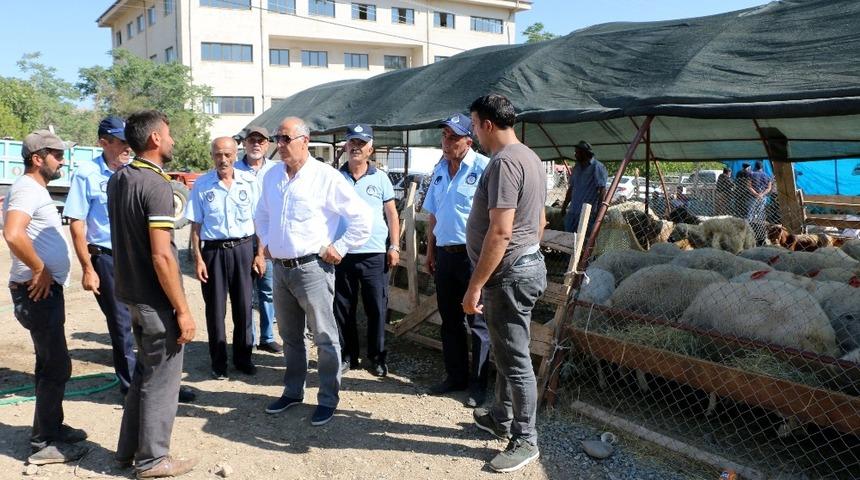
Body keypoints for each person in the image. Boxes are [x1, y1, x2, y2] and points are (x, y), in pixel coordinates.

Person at [255, 117, 372, 426]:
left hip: (313, 268)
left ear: (304, 141)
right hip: (281, 269)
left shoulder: (325, 177)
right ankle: (293, 391)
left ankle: (328, 399)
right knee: (289, 336)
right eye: (277, 139)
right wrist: (267, 242)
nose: (278, 144)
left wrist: (341, 247)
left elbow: (362, 217)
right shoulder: (271, 177)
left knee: (323, 336)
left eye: (284, 138)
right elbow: (261, 213)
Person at [108, 110, 198, 478]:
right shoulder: (156, 185)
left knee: (145, 376)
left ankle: (128, 451)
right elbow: (163, 255)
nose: (173, 140)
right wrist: (183, 309)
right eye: (170, 133)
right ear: (156, 139)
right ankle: (153, 460)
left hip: (130, 295)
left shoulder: (119, 179)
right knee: (162, 383)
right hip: (154, 301)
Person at [464, 94, 547, 473]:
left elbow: (500, 232)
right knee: (506, 349)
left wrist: (475, 285)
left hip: (509, 274)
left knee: (514, 359)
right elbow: (541, 220)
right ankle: (501, 415)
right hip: (523, 266)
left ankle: (525, 439)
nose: (473, 132)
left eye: (473, 124)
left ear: (486, 124)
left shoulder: (504, 163)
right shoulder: (529, 156)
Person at [3, 130, 87, 465]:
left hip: (42, 291)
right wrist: (39, 269)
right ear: (38, 158)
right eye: (56, 154)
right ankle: (44, 443)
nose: (61, 160)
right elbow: (12, 233)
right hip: (36, 291)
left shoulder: (34, 189)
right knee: (55, 366)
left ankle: (51, 427)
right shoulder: (26, 188)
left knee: (50, 364)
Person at [423, 113, 491, 408]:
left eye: (453, 138)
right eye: (444, 137)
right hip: (445, 256)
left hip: (473, 256)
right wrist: (430, 251)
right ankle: (455, 377)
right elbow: (433, 214)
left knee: (478, 322)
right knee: (450, 320)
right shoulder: (439, 169)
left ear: (468, 140)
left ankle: (479, 385)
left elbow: (495, 217)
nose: (447, 143)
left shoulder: (484, 168)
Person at [65, 116, 136, 396]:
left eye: (129, 141)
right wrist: (87, 268)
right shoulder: (87, 174)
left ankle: (155, 385)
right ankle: (132, 389)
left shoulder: (133, 171)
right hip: (106, 259)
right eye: (121, 142)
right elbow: (77, 222)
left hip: (135, 259)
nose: (127, 147)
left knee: (148, 321)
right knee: (121, 325)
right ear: (103, 143)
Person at [186, 137, 259, 379]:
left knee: (244, 308)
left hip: (244, 249)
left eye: (227, 154)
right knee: (215, 311)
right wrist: (197, 258)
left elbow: (260, 221)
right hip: (214, 252)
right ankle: (218, 363)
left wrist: (260, 254)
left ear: (235, 155)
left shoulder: (249, 182)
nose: (223, 159)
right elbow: (196, 225)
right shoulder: (202, 185)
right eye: (218, 155)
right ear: (212, 156)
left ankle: (243, 359)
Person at [333, 124, 399, 377]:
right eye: (352, 143)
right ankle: (348, 356)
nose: (356, 147)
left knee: (376, 308)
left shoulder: (380, 178)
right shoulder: (335, 178)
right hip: (343, 254)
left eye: (361, 143)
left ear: (370, 148)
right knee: (343, 308)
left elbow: (392, 215)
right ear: (346, 146)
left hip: (374, 254)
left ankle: (377, 357)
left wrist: (393, 246)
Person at [234, 126, 282, 354]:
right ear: (244, 143)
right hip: (241, 239)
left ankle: (267, 336)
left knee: (267, 290)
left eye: (261, 141)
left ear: (267, 144)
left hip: (269, 239)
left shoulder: (276, 170)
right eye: (251, 140)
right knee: (244, 292)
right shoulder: (232, 170)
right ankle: (248, 338)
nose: (256, 144)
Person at [560, 141, 607, 234]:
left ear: (584, 153)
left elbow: (602, 190)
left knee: (584, 241)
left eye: (577, 152)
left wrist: (599, 211)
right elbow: (571, 188)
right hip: (573, 211)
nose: (575, 155)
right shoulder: (576, 167)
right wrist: (564, 206)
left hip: (588, 214)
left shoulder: (597, 167)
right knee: (568, 238)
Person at [746, 161, 773, 243]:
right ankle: (760, 231)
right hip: (762, 198)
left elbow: (749, 186)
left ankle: (750, 230)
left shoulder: (751, 174)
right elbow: (769, 188)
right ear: (761, 167)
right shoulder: (766, 176)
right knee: (760, 213)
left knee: (751, 213)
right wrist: (761, 194)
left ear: (755, 167)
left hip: (753, 197)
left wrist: (756, 194)